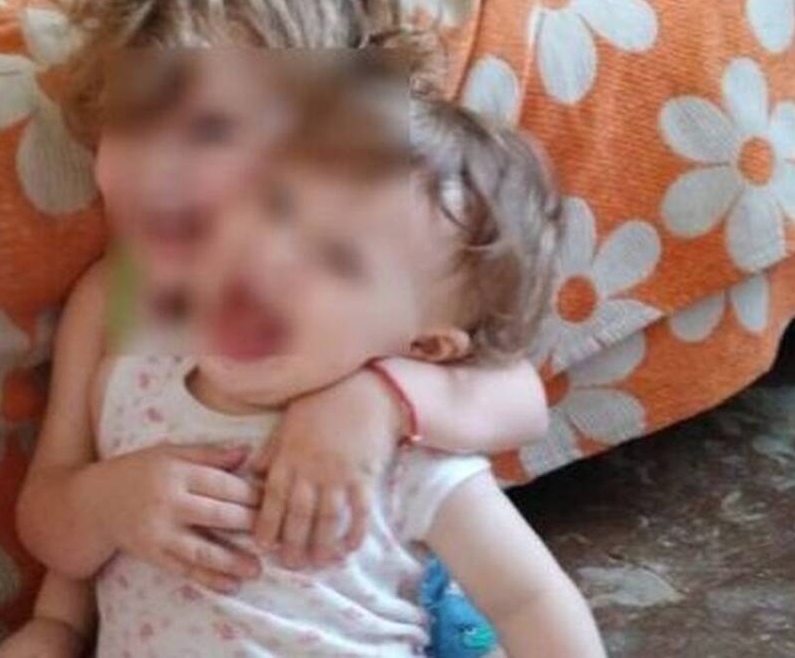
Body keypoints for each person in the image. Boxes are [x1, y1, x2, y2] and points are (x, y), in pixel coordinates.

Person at [0, 0, 553, 656]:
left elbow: (519, 398)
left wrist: (375, 400)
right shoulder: (114, 296)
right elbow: (49, 506)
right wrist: (105, 504)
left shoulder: (365, 265)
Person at [64, 79, 601, 655]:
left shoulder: (403, 462)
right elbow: (60, 544)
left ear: (421, 347)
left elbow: (530, 599)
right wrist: (101, 508)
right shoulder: (132, 386)